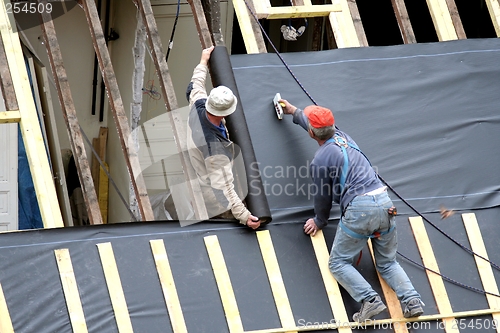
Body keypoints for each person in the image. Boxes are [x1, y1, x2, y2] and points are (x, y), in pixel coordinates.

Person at [279, 99, 425, 322]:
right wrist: (293, 111)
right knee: (387, 263)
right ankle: (412, 301)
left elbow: (322, 195)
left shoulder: (320, 160)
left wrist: (319, 220)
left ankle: (370, 300)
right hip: (385, 203)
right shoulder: (344, 137)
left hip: (360, 210)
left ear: (311, 133)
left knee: (338, 263)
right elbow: (318, 126)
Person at [186, 46, 260, 230]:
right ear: (225, 112)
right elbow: (223, 189)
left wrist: (203, 61)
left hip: (199, 157)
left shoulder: (198, 104)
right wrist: (244, 215)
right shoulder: (216, 150)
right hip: (208, 186)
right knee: (224, 221)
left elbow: (195, 85)